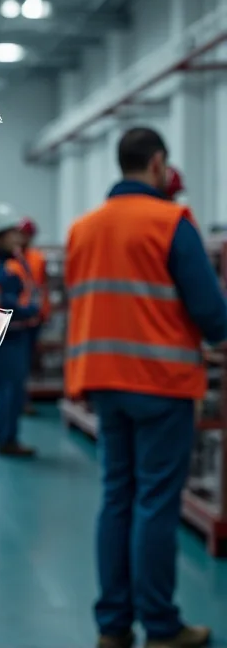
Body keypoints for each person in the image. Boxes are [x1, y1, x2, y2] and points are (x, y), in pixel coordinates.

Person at [65, 127, 226, 648]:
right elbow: (208, 309)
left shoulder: (83, 229)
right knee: (156, 502)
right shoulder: (170, 222)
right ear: (158, 163)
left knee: (117, 499)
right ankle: (161, 626)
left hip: (103, 382)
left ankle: (112, 627)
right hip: (160, 382)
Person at [0, 203, 40, 457]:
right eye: (12, 232)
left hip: (1, 335)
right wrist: (31, 310)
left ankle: (3, 435)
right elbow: (9, 303)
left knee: (6, 388)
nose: (18, 235)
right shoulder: (4, 268)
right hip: (11, 336)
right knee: (11, 390)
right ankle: (7, 440)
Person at [18, 216, 51, 415]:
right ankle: (19, 399)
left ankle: (24, 399)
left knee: (28, 360)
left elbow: (42, 288)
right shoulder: (13, 258)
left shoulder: (37, 258)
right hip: (17, 318)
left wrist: (44, 311)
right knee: (18, 362)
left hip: (33, 316)